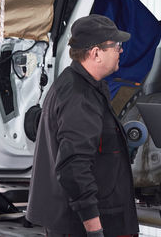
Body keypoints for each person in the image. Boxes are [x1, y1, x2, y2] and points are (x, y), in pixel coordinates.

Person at [26, 14, 139, 237]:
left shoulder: (85, 86)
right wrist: (94, 229)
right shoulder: (79, 96)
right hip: (80, 227)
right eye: (116, 45)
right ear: (96, 53)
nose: (121, 50)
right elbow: (73, 167)